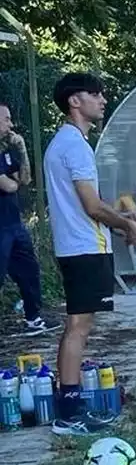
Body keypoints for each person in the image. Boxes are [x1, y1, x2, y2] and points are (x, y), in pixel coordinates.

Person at [44, 72, 136, 436]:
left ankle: (69, 406)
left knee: (78, 326)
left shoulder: (66, 143)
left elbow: (85, 206)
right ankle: (68, 413)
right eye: (95, 94)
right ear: (75, 101)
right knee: (78, 327)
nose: (102, 100)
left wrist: (116, 222)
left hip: (79, 245)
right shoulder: (74, 146)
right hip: (82, 248)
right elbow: (90, 205)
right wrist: (125, 224)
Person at [0, 102, 51, 336]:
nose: (11, 124)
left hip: (14, 223)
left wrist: (21, 148)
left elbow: (25, 179)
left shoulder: (7, 151)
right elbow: (9, 185)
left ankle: (34, 319)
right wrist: (14, 181)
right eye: (6, 119)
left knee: (28, 270)